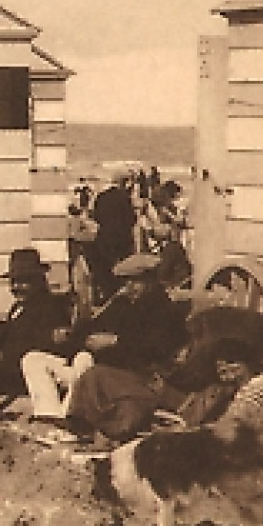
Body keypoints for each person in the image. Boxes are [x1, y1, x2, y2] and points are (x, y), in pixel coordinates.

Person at [52, 252, 190, 443]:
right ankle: (85, 427)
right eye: (126, 283)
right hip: (129, 374)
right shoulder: (126, 305)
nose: (129, 288)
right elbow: (95, 326)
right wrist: (74, 334)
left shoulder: (165, 311)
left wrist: (116, 342)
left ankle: (82, 427)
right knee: (93, 372)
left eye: (135, 282)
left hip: (152, 378)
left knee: (95, 376)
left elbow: (156, 347)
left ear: (151, 281)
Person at [0, 248, 73, 412]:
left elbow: (44, 343)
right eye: (13, 282)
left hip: (30, 370)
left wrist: (3, 356)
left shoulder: (50, 307)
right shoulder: (18, 307)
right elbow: (8, 335)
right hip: (11, 362)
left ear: (38, 281)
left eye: (22, 282)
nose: (16, 287)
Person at [89, 171, 138, 303]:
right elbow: (132, 219)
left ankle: (107, 296)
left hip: (104, 237)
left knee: (105, 269)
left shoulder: (102, 196)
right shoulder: (124, 197)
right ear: (125, 182)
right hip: (122, 238)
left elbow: (95, 216)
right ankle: (120, 298)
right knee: (124, 269)